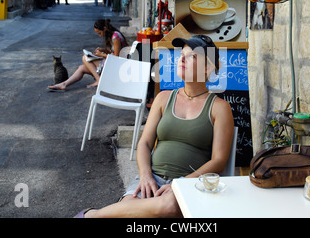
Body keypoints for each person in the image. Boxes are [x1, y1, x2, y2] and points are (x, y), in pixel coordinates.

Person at [74, 35, 234, 218]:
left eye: (192, 56)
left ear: (207, 67)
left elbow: (219, 160)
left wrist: (180, 184)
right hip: (152, 177)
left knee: (168, 207)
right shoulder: (164, 98)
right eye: (182, 54)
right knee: (131, 207)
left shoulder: (219, 107)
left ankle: (92, 215)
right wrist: (145, 175)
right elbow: (144, 144)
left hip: (189, 183)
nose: (182, 58)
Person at [47, 19, 128, 91]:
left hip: (117, 67)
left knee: (85, 58)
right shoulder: (112, 36)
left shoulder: (115, 37)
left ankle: (99, 81)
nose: (99, 35)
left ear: (104, 28)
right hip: (112, 64)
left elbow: (116, 58)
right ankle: (63, 84)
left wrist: (101, 55)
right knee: (81, 68)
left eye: (99, 33)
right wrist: (104, 51)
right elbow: (114, 52)